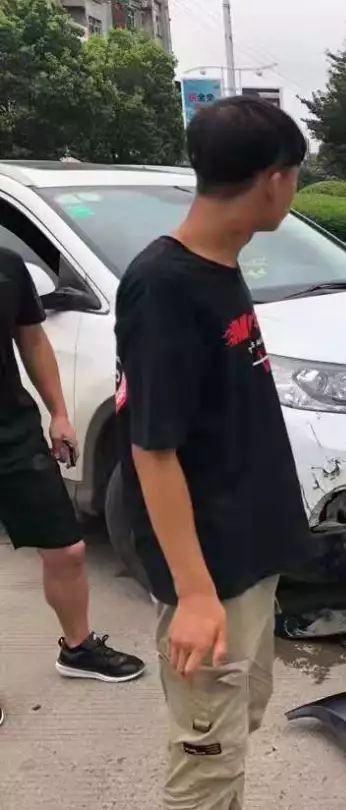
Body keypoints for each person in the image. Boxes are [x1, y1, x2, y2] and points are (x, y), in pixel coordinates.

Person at [114, 96, 310, 807]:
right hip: (214, 573)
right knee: (207, 762)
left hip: (248, 557)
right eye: (295, 175)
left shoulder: (217, 267)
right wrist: (195, 595)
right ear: (273, 180)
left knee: (233, 728)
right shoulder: (164, 287)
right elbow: (152, 449)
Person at [0, 248, 145, 727]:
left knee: (67, 550)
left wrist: (59, 412)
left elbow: (32, 340)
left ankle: (78, 649)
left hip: (12, 432)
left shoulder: (6, 264)